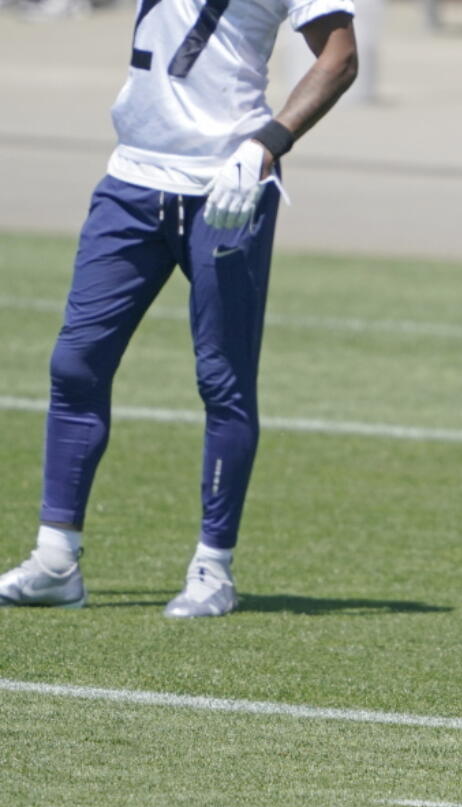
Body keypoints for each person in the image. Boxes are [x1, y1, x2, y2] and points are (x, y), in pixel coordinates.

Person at [0, 0, 359, 617]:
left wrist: (268, 143)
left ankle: (213, 568)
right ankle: (56, 559)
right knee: (75, 364)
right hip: (132, 179)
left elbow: (341, 56)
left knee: (222, 379)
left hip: (228, 181)